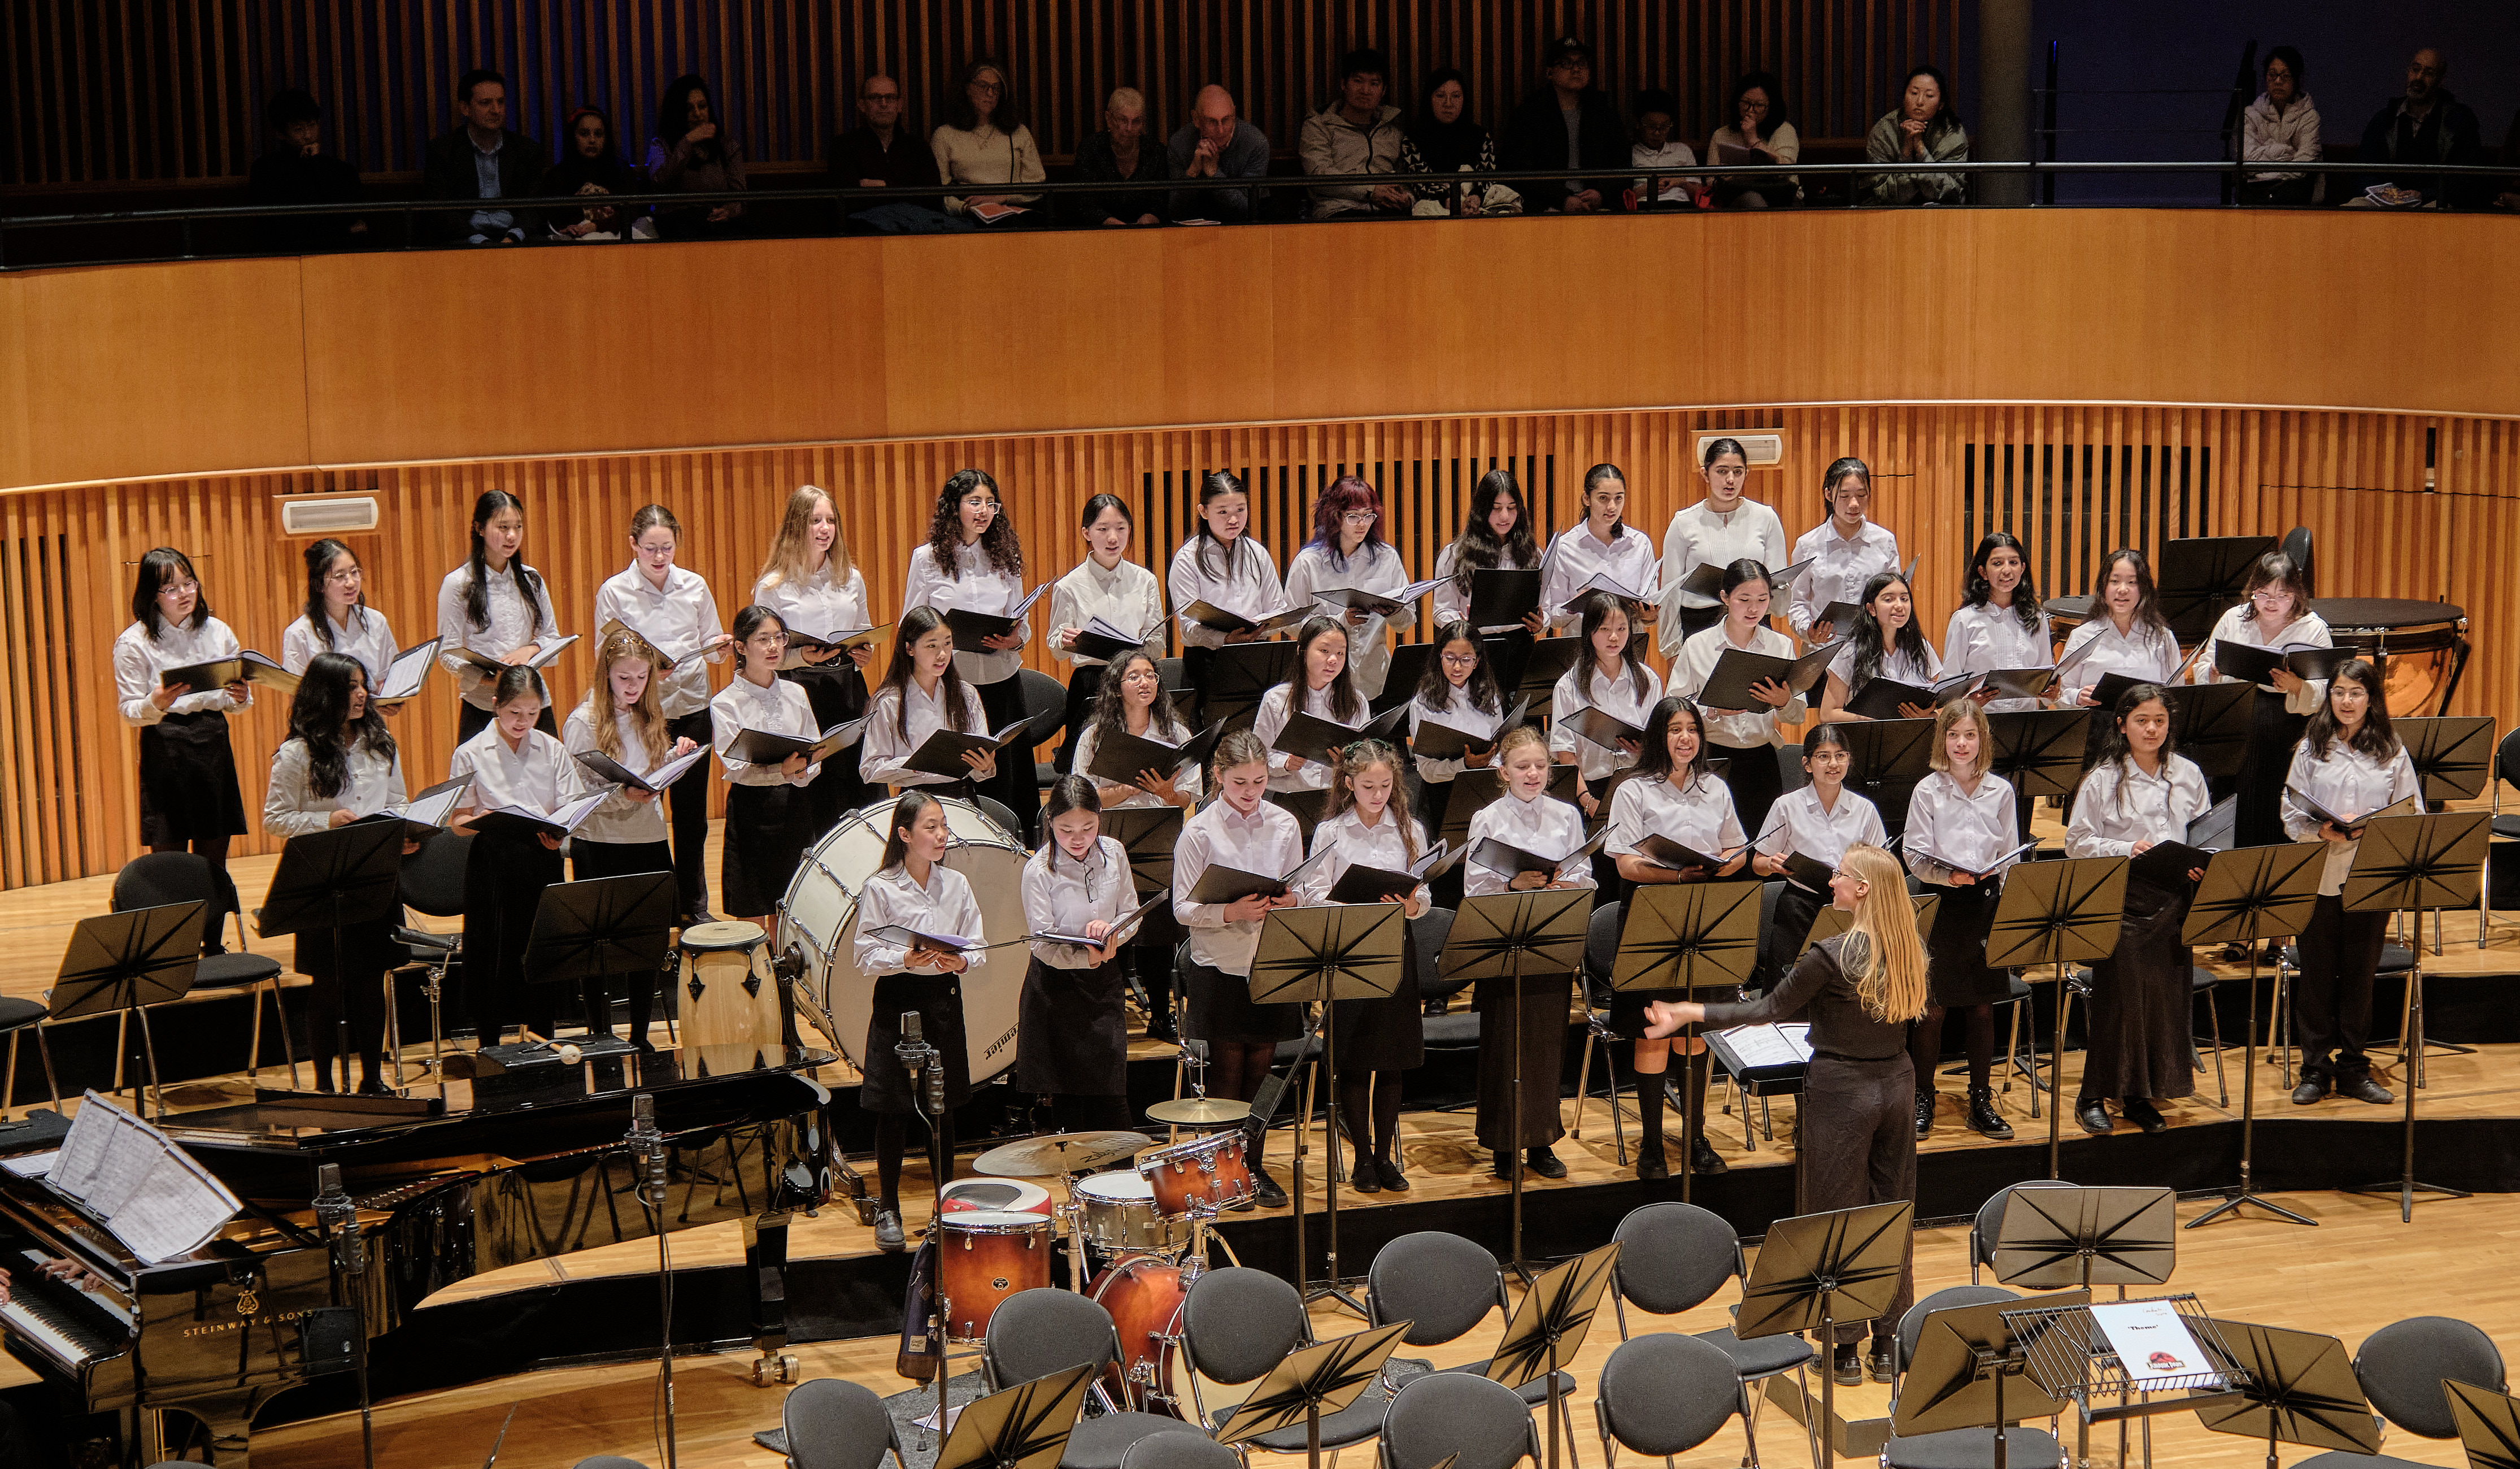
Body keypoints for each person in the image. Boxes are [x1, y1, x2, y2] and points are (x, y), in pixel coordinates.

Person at [1644, 844, 1926, 1387]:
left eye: (1841, 875)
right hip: (1897, 1084)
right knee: (1893, 1211)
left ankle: (1843, 1349)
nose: (1832, 881)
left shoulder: (1830, 954)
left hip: (1841, 1090)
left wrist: (1689, 1011)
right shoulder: (1910, 945)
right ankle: (1888, 1345)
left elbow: (1767, 1008)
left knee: (1834, 1217)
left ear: (1862, 889)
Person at [1606, 696, 1747, 1179]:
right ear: (1657, 737)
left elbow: (1736, 848)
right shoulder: (1633, 789)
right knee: (1654, 1030)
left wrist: (1727, 863)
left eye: (1691, 729)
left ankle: (1695, 1136)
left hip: (1703, 910)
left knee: (1694, 1032)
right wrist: (1675, 876)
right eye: (1674, 730)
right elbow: (1626, 863)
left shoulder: (1715, 787)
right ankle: (1651, 1143)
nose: (1685, 738)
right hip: (1651, 910)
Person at [2066, 684, 2210, 1135]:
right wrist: (2126, 847)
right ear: (2121, 725)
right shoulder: (2103, 778)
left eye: (2159, 721)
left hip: (2175, 900)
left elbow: (2205, 833)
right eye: (2142, 721)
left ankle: (2138, 1095)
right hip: (2125, 901)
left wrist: (2201, 863)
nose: (2151, 729)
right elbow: (2076, 842)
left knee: (2163, 1004)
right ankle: (2091, 1095)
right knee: (2120, 1004)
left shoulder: (2187, 773)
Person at [262, 652, 408, 1092]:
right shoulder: (297, 753)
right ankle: (324, 1085)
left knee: (372, 982)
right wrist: (326, 821)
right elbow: (275, 818)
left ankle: (372, 1080)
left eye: (363, 685)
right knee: (327, 986)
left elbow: (397, 801)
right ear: (325, 694)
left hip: (373, 875)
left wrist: (403, 832)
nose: (362, 694)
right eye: (351, 687)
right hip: (322, 882)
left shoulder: (380, 742)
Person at [1172, 729, 1305, 1209]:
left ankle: (1254, 1165)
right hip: (1220, 964)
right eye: (1239, 783)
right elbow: (1182, 909)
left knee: (1262, 1072)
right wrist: (1230, 912)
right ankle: (1224, 1173)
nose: (1250, 792)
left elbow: (1300, 888)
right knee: (1228, 1074)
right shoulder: (1199, 831)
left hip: (1270, 961)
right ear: (1218, 776)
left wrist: (1291, 900)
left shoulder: (1285, 823)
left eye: (1259, 781)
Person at [854, 790, 989, 1249]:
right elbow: (864, 955)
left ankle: (945, 1203)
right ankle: (888, 1207)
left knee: (942, 1107)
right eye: (931, 827)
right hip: (898, 999)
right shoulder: (881, 887)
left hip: (942, 999)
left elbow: (979, 945)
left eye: (944, 826)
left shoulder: (957, 884)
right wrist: (905, 959)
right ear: (905, 834)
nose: (941, 835)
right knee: (894, 1108)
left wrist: (962, 961)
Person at [2281, 659, 2418, 1107]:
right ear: (2330, 696)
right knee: (2317, 976)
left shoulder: (2391, 750)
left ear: (2370, 699)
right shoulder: (2310, 747)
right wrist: (2318, 829)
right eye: (2339, 692)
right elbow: (2289, 810)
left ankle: (2354, 1068)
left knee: (2359, 977)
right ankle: (2314, 1069)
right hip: (2319, 871)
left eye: (2356, 693)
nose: (2346, 701)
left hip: (2370, 875)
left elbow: (2411, 812)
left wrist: (2372, 830)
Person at [1296, 738, 1430, 1191]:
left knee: (1391, 1059)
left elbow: (1424, 895)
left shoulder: (1409, 829)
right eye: (1368, 786)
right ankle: (1361, 1159)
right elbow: (1314, 893)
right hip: (1350, 950)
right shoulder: (1331, 831)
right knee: (1353, 1058)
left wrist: (1412, 906)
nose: (1377, 794)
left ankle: (1385, 1156)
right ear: (1349, 783)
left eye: (1385, 785)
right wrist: (1347, 902)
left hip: (1396, 946)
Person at [1464, 725, 1595, 1180]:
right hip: (1504, 938)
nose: (1533, 773)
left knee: (1545, 1042)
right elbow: (1473, 888)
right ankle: (1505, 1144)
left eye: (1540, 765)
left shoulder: (1565, 815)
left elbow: (1586, 875)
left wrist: (1564, 883)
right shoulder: (1487, 818)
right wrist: (1512, 884)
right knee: (1505, 1043)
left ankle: (1540, 1139)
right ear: (1503, 772)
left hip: (1550, 935)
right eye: (1523, 766)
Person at [564, 629, 700, 1044]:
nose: (633, 686)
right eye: (624, 678)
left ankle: (640, 1036)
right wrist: (623, 795)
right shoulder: (583, 721)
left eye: (641, 678)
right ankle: (601, 1035)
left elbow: (651, 776)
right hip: (600, 843)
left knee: (647, 942)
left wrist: (675, 758)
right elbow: (579, 793)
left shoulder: (649, 714)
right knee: (597, 946)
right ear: (605, 674)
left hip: (648, 839)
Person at [594, 505, 728, 925]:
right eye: (650, 547)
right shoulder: (615, 591)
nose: (659, 556)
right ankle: (653, 909)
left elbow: (711, 642)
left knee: (691, 816)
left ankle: (693, 906)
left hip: (692, 707)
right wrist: (649, 667)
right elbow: (606, 654)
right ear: (633, 545)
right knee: (645, 811)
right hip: (643, 715)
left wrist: (720, 647)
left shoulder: (694, 585)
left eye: (667, 547)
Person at [1071, 646, 1202, 1038]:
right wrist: (1127, 790)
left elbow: (1190, 796)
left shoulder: (1175, 734)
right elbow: (1083, 797)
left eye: (1150, 675)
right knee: (1115, 927)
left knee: (1157, 930)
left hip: (1158, 836)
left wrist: (1167, 793)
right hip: (1110, 838)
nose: (1144, 682)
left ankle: (1161, 1015)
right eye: (1134, 677)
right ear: (1117, 687)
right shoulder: (1096, 736)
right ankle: (1108, 1016)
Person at [1903, 699, 2018, 1141]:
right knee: (1932, 1009)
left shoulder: (2000, 791)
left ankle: (1980, 1099)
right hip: (1941, 902)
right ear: (1942, 740)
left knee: (1981, 1007)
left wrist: (1999, 886)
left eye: (1969, 735)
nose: (1961, 743)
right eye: (1953, 735)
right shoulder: (1927, 790)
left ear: (1981, 739)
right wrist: (1947, 875)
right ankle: (1922, 1096)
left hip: (1985, 904)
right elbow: (1913, 853)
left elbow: (2008, 853)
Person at [448, 666, 580, 1048]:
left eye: (532, 713)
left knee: (541, 952)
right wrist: (484, 819)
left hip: (541, 857)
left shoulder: (552, 748)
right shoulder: (470, 752)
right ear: (495, 705)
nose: (523, 721)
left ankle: (544, 1042)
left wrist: (559, 834)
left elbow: (570, 808)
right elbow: (458, 823)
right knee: (492, 954)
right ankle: (489, 1046)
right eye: (514, 712)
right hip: (493, 861)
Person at [114, 549, 254, 905]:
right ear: (153, 595)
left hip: (213, 740)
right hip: (165, 744)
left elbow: (234, 702)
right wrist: (156, 702)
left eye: (189, 583)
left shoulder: (218, 632)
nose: (185, 593)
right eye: (172, 588)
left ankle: (214, 933)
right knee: (169, 863)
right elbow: (129, 711)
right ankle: (175, 937)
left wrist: (240, 697)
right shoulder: (134, 642)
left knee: (214, 860)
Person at [902, 468, 1033, 827]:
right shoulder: (926, 558)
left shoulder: (1006, 555)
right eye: (975, 502)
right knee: (959, 776)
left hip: (1002, 680)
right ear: (955, 506)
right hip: (951, 684)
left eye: (991, 503)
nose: (984, 511)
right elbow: (911, 622)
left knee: (1005, 778)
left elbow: (1021, 621)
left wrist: (1016, 639)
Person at [754, 484, 878, 832]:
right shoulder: (773, 586)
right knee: (813, 792)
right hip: (800, 691)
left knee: (853, 785)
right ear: (797, 525)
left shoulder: (851, 578)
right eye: (815, 521)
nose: (825, 528)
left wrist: (865, 651)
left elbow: (863, 630)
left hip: (848, 688)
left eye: (831, 520)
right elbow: (761, 655)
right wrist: (799, 657)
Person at [1018, 775, 1139, 1133]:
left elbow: (1131, 913)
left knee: (1112, 1093)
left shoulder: (1115, 853)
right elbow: (1041, 943)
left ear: (1099, 817)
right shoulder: (1038, 870)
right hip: (1056, 988)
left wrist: (1113, 930)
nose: (1078, 838)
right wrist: (1087, 957)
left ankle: (1121, 1169)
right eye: (1066, 830)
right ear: (1050, 822)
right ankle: (1076, 1171)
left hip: (1104, 982)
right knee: (1068, 1100)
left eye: (1088, 828)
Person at [2201, 551, 2329, 856]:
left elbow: (2325, 689)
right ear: (2253, 590)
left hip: (2286, 726)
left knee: (2274, 804)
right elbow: (2206, 663)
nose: (2272, 603)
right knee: (2235, 802)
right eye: (2264, 594)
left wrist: (2296, 686)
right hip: (2236, 720)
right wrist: (2214, 671)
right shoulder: (2234, 618)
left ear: (2297, 595)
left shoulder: (2313, 628)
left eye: (2283, 595)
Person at [1751, 724, 1888, 990]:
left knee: (1845, 991)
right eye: (1823, 756)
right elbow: (1758, 863)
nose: (1833, 764)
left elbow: (1881, 866)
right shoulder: (1786, 805)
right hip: (1799, 906)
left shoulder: (1865, 809)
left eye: (1840, 755)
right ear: (1807, 764)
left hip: (1851, 910)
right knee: (1785, 990)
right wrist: (1771, 864)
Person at [711, 606, 822, 929]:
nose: (774, 647)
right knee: (751, 904)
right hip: (752, 810)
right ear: (741, 647)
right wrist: (780, 771)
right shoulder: (726, 703)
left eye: (779, 638)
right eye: (763, 639)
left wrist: (802, 771)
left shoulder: (797, 693)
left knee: (790, 905)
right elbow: (735, 766)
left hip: (795, 806)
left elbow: (815, 748)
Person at [1673, 560, 1803, 838]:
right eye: (1744, 600)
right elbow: (1673, 710)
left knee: (1762, 842)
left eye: (1762, 600)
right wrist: (1712, 710)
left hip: (1762, 760)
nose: (1754, 609)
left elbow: (1798, 716)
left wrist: (1784, 702)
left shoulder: (1781, 645)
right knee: (1710, 840)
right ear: (1725, 597)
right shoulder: (1698, 645)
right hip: (1711, 758)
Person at [1048, 493, 1165, 771]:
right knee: (1088, 766)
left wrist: (1141, 648)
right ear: (1086, 533)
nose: (1113, 538)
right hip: (1092, 682)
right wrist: (1066, 641)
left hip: (1135, 678)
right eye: (1102, 529)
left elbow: (1158, 642)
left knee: (1138, 762)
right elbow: (1055, 647)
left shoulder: (1145, 580)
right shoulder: (1069, 586)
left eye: (1121, 528)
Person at [1167, 470, 1291, 721]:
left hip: (1257, 654)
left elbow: (1278, 608)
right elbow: (1189, 628)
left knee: (1260, 730)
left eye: (1240, 510)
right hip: (1208, 660)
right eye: (1223, 512)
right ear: (1204, 512)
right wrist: (1225, 639)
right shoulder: (1187, 559)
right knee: (1214, 730)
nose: (1233, 519)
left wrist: (1260, 626)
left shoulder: (1257, 553)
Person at [437, 490, 560, 743]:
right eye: (503, 527)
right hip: (483, 705)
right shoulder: (458, 583)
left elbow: (552, 636)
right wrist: (489, 680)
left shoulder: (532, 579)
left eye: (518, 527)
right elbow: (447, 653)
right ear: (480, 529)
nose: (512, 535)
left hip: (532, 703)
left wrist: (530, 650)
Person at [1283, 474, 1415, 697]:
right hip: (1323, 684)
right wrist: (1340, 622)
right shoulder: (1309, 562)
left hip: (1375, 681)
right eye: (1353, 516)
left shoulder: (1387, 557)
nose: (1362, 524)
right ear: (1335, 516)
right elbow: (1291, 622)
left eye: (1368, 515)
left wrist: (1393, 611)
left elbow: (1407, 622)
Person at [1659, 436, 1788, 649]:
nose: (1730, 480)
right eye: (1722, 471)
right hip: (1700, 626)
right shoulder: (1683, 522)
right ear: (1705, 474)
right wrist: (1671, 649)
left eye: (1738, 472)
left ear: (1746, 474)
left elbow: (1778, 584)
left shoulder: (1766, 518)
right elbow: (1670, 594)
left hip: (1754, 625)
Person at [859, 607, 997, 796]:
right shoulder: (889, 701)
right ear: (910, 649)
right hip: (915, 798)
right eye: (932, 646)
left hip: (962, 794)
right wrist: (913, 764)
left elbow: (980, 763)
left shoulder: (967, 693)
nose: (942, 654)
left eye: (947, 643)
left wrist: (985, 766)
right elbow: (870, 768)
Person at [1551, 591, 1661, 819]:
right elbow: (1566, 754)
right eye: (1604, 629)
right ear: (1589, 632)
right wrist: (1587, 801)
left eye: (1621, 629)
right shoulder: (1568, 686)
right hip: (1591, 788)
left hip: (1640, 783)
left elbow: (1659, 742)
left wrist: (1646, 748)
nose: (1614, 637)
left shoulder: (1649, 680)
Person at [1497, 36, 1627, 214]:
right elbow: (1516, 170)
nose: (1576, 69)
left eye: (1581, 63)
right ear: (1550, 73)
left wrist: (1601, 193)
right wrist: (1562, 198)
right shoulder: (1530, 113)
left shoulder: (1603, 110)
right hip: (1546, 206)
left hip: (1600, 206)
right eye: (1566, 64)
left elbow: (1622, 163)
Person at [1408, 620, 1507, 845]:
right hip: (1441, 798)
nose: (1457, 667)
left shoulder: (1489, 698)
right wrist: (1464, 765)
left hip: (1485, 793)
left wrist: (1491, 764)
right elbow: (1426, 770)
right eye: (1450, 658)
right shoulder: (1423, 704)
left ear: (1477, 661)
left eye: (1466, 659)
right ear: (1439, 657)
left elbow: (1501, 747)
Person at [420, 67, 545, 244]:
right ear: (465, 108)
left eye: (500, 102)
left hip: (513, 236)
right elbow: (440, 209)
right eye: (486, 103)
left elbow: (536, 205)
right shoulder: (443, 151)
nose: (496, 110)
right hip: (466, 238)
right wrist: (480, 241)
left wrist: (514, 236)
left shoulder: (526, 150)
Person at [830, 73, 966, 234]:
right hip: (867, 235)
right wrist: (906, 190)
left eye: (890, 97)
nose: (883, 104)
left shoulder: (917, 147)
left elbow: (932, 198)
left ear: (899, 105)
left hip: (917, 232)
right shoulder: (844, 146)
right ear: (862, 105)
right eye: (875, 98)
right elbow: (846, 202)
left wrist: (883, 186)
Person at [2351, 48, 2484, 208]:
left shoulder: (2459, 120)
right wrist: (2383, 193)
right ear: (2408, 72)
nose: (2419, 78)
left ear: (2440, 80)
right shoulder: (2385, 118)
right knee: (2352, 208)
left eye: (2429, 73)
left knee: (2436, 213)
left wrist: (2424, 195)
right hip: (2385, 201)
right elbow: (2363, 169)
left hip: (2433, 201)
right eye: (2416, 69)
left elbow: (2465, 179)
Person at [1787, 457, 1900, 645]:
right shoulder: (1808, 544)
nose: (1854, 503)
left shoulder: (1885, 541)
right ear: (1829, 494)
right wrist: (1809, 630)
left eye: (1861, 495)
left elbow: (1895, 596)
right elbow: (1797, 601)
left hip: (1872, 647)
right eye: (1845, 496)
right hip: (1824, 649)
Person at [1540, 463, 1660, 635]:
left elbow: (1650, 606)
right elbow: (1554, 617)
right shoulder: (1565, 547)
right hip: (1583, 644)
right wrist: (1573, 606)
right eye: (1603, 498)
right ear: (1587, 499)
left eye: (1619, 498)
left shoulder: (1640, 544)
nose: (1612, 507)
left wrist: (1649, 616)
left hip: (1627, 644)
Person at [1254, 616, 1367, 796]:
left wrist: (1348, 763)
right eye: (1324, 651)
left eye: (1340, 653)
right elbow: (1257, 759)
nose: (1333, 660)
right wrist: (1285, 764)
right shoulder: (1276, 699)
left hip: (1337, 796)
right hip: (1285, 796)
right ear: (1302, 651)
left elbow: (1366, 761)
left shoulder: (1356, 701)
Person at [1941, 531, 2051, 715]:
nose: (2007, 570)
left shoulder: (2037, 617)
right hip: (1978, 722)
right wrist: (1968, 702)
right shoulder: (1964, 620)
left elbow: (2044, 678)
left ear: (2022, 569)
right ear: (1983, 572)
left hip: (2025, 720)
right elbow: (1949, 686)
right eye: (1997, 563)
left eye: (2013, 562)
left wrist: (2052, 692)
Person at [2055, 548, 2180, 708]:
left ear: (2144, 589)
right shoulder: (2082, 636)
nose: (2122, 590)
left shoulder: (2162, 637)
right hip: (2095, 721)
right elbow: (2060, 694)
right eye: (2115, 581)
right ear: (2104, 586)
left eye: (2132, 582)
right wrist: (2077, 697)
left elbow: (2176, 693)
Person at [247, 89, 364, 253]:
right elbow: (279, 227)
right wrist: (343, 231)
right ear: (281, 133)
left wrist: (317, 163)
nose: (308, 135)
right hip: (286, 254)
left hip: (338, 253)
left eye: (312, 125)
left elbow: (353, 216)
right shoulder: (267, 170)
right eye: (299, 129)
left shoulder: (340, 170)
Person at [1300, 47, 1411, 220]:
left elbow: (1407, 177)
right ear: (1344, 84)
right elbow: (1319, 176)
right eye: (1358, 81)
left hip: (1388, 212)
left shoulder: (1392, 130)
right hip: (1339, 212)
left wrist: (1407, 199)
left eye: (1374, 84)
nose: (1365, 90)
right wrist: (1370, 192)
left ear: (1383, 91)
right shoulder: (1319, 125)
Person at [1818, 570, 1940, 725]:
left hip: (1915, 735)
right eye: (1889, 599)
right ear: (1871, 609)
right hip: (1868, 736)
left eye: (1904, 599)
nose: (1899, 606)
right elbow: (1827, 714)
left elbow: (1942, 704)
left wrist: (1930, 715)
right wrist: (1877, 718)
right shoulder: (1851, 651)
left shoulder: (1922, 648)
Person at [933, 56, 1045, 224]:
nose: (990, 94)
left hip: (1013, 212)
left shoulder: (1018, 132)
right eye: (983, 86)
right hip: (969, 215)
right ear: (967, 89)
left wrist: (1001, 198)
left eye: (996, 88)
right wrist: (964, 208)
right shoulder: (945, 135)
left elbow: (1037, 188)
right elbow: (939, 192)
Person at [281, 538, 398, 690]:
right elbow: (297, 696)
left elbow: (388, 679)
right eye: (339, 576)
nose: (351, 583)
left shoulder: (376, 621)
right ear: (319, 585)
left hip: (372, 706)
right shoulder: (299, 634)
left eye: (354, 572)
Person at [1433, 468, 1542, 629]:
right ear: (1482, 509)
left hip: (1520, 640)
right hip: (1473, 640)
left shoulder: (1532, 552)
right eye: (1496, 508)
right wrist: (1460, 625)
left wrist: (1540, 623)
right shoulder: (1455, 554)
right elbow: (1442, 610)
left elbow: (1546, 606)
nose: (1505, 516)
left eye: (1511, 508)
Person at [1401, 67, 1515, 216]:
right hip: (1438, 206)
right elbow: (1422, 184)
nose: (1448, 103)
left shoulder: (1479, 136)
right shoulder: (1413, 139)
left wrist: (1475, 199)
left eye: (1456, 96)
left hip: (1477, 204)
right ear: (1429, 99)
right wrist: (1453, 203)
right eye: (1440, 96)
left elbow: (1487, 175)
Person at [649, 73, 746, 238]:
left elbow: (740, 196)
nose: (698, 114)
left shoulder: (727, 146)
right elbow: (660, 183)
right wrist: (687, 142)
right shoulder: (661, 145)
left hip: (718, 223)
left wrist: (728, 211)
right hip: (677, 223)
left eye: (702, 106)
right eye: (689, 109)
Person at [541, 103, 652, 242]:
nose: (592, 140)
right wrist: (569, 228)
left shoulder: (621, 170)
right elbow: (554, 217)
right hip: (577, 240)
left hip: (619, 238)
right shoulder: (557, 176)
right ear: (573, 137)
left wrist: (597, 226)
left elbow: (632, 212)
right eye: (584, 134)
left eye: (598, 134)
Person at [1861, 64, 1968, 206]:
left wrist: (1921, 150)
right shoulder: (1884, 129)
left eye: (1929, 96)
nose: (1920, 102)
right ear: (1904, 97)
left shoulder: (1952, 132)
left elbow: (1952, 194)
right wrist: (1906, 154)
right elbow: (1882, 195)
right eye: (1914, 93)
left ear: (1941, 104)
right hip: (1888, 212)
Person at [1168, 84, 1272, 223]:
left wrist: (1214, 174)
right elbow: (1174, 212)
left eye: (1226, 119)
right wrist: (1193, 171)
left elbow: (1248, 211)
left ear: (1234, 114)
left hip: (1244, 227)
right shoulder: (1179, 144)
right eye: (1212, 122)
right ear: (1196, 119)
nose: (1221, 130)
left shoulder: (1256, 143)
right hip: (1192, 228)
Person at [1070, 88, 1167, 226]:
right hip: (1100, 232)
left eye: (1136, 121)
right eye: (1123, 120)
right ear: (1109, 119)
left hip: (1146, 231)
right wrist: (1110, 223)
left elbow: (1162, 201)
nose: (1129, 128)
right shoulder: (1091, 149)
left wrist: (1151, 217)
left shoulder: (1155, 151)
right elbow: (1084, 203)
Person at [2238, 47, 2321, 207]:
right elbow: (2247, 161)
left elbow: (2303, 167)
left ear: (2298, 79)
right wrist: (2286, 153)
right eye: (2272, 75)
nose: (2278, 81)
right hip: (2257, 194)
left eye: (2285, 76)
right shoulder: (2250, 114)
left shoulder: (2310, 117)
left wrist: (2266, 173)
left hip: (2296, 197)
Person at [1709, 71, 1800, 208]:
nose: (1750, 110)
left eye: (1759, 105)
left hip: (1780, 196)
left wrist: (1753, 140)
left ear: (1771, 107)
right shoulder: (1721, 135)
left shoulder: (1784, 130)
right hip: (1737, 198)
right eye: (1745, 103)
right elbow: (1711, 179)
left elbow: (1787, 171)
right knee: (1752, 199)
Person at [1631, 87, 1702, 207]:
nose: (1657, 133)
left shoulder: (1682, 150)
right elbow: (1620, 198)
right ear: (1638, 124)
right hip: (1644, 208)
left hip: (1681, 207)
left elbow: (1699, 194)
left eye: (1664, 127)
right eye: (1651, 126)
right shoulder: (1630, 153)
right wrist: (1647, 189)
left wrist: (1681, 182)